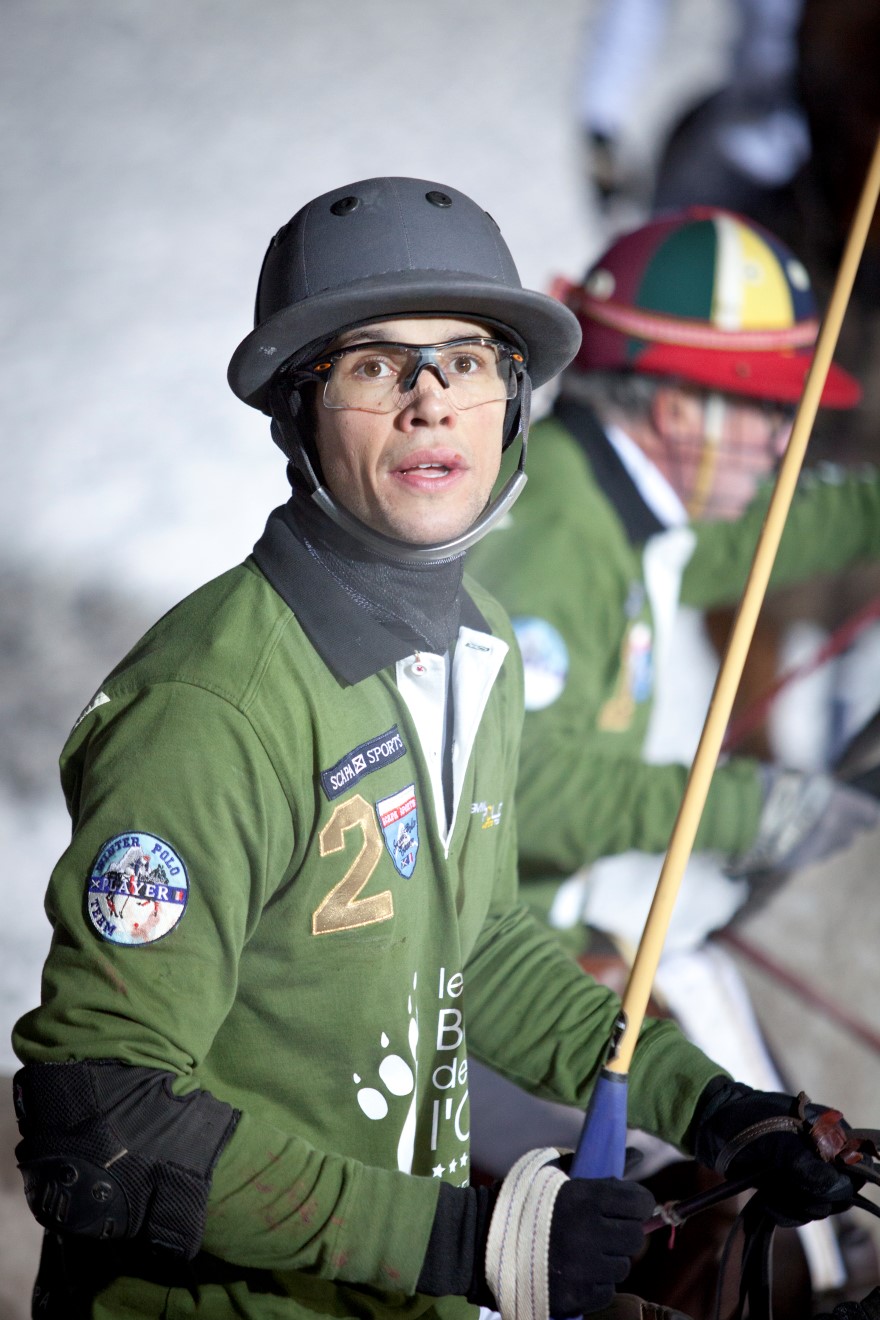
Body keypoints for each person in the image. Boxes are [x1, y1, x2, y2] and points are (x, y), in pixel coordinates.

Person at [10, 179, 862, 1320]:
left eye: (466, 363)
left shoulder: (478, 647)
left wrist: (713, 1108)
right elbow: (105, 1122)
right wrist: (468, 1238)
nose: (428, 404)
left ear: (510, 404)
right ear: (296, 411)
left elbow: (482, 948)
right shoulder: (214, 705)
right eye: (373, 365)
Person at [465, 206, 880, 1297]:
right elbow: (514, 784)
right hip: (461, 986)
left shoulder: (628, 501)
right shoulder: (557, 532)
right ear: (673, 405)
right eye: (759, 412)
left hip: (547, 940)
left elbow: (767, 530)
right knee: (696, 1202)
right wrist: (758, 811)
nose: (782, 442)